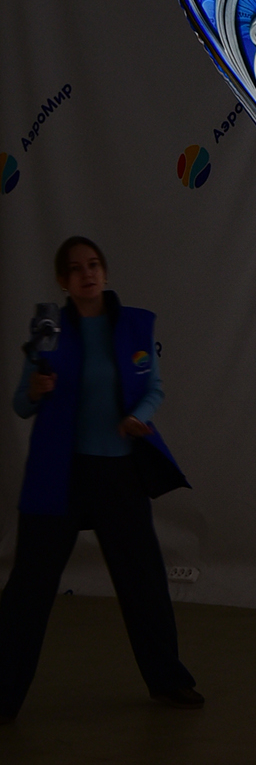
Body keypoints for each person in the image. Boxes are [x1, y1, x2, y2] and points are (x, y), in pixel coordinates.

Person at [0, 236, 201, 721]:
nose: (86, 274)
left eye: (93, 265)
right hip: (60, 474)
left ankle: (168, 679)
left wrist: (137, 417)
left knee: (143, 579)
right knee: (29, 586)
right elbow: (22, 404)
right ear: (62, 281)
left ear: (104, 272)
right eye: (75, 268)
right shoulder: (49, 330)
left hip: (118, 474)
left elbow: (153, 389)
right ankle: (3, 693)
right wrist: (35, 389)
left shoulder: (134, 325)